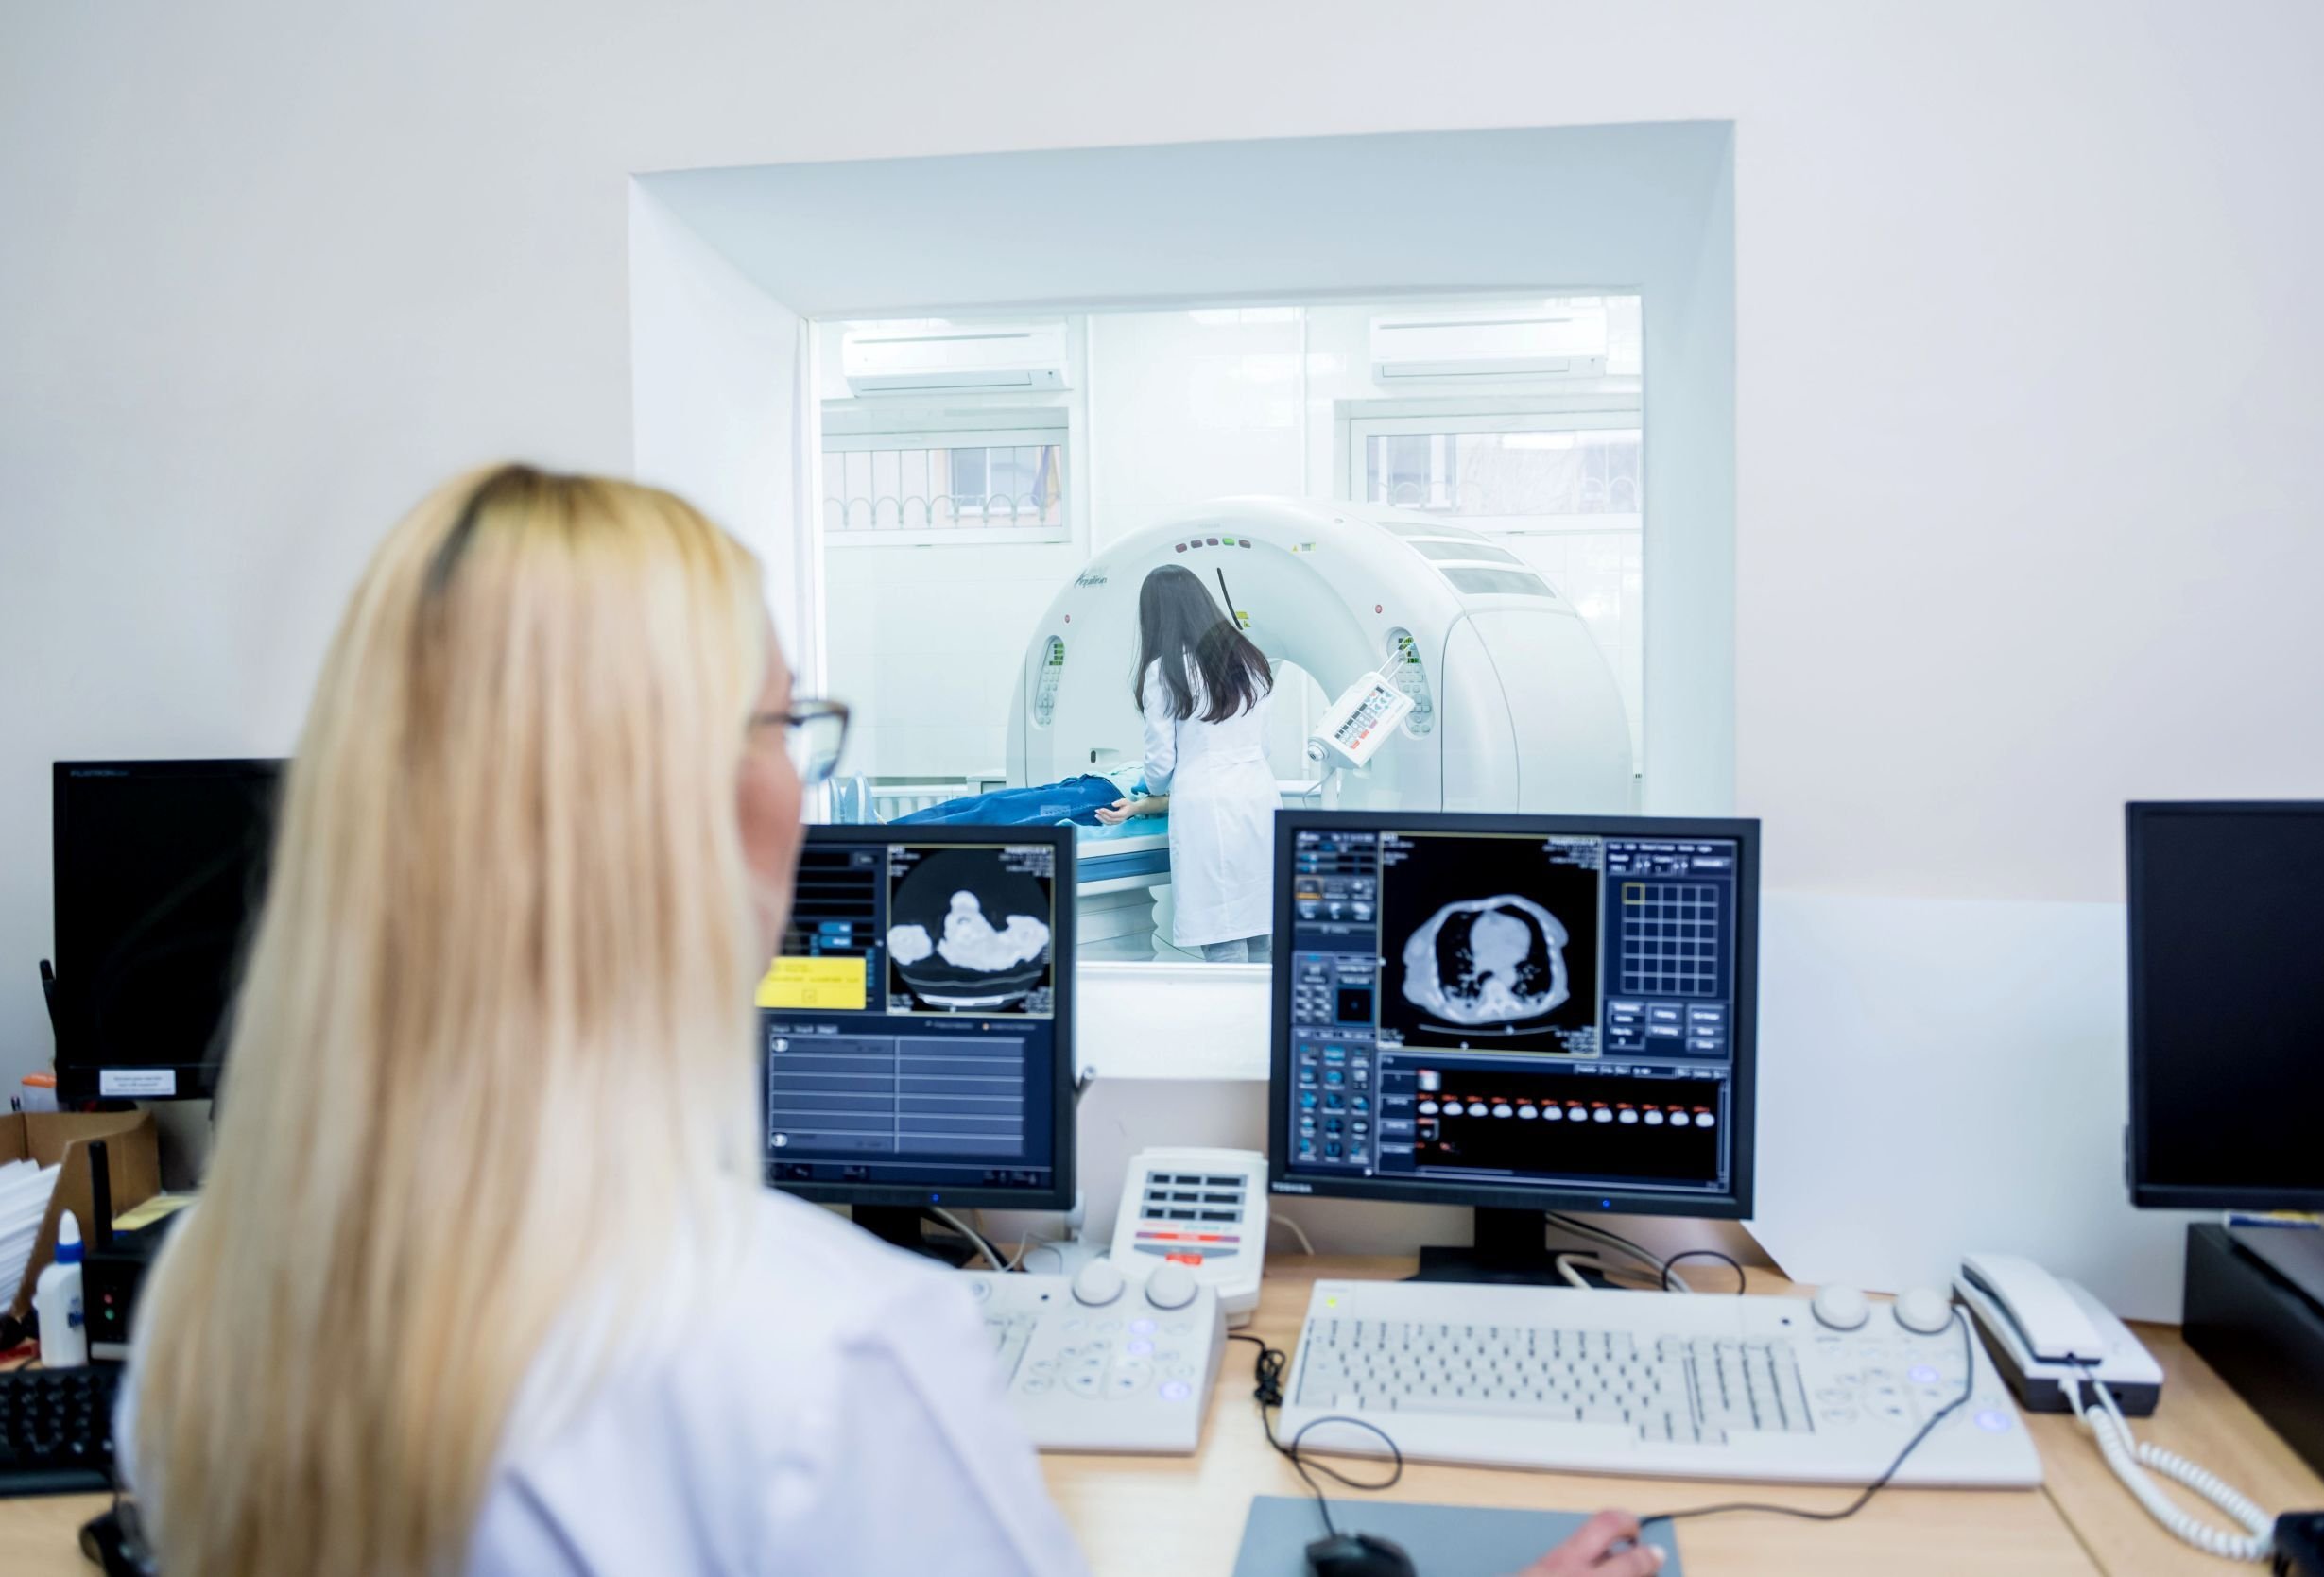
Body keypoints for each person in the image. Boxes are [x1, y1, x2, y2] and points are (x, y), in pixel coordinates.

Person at [118, 463, 1655, 1577]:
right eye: (789, 723)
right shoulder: (827, 1346)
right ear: (675, 803)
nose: (803, 772)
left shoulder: (215, 1294)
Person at [1097, 563, 1283, 962]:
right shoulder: (1252, 660)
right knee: (1261, 927)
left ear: (1157, 616)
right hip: (1260, 797)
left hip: (1208, 803)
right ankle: (1263, 1019)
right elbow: (1264, 745)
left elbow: (1160, 763)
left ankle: (1230, 1018)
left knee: (1224, 931)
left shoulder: (1165, 669)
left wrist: (1150, 793)